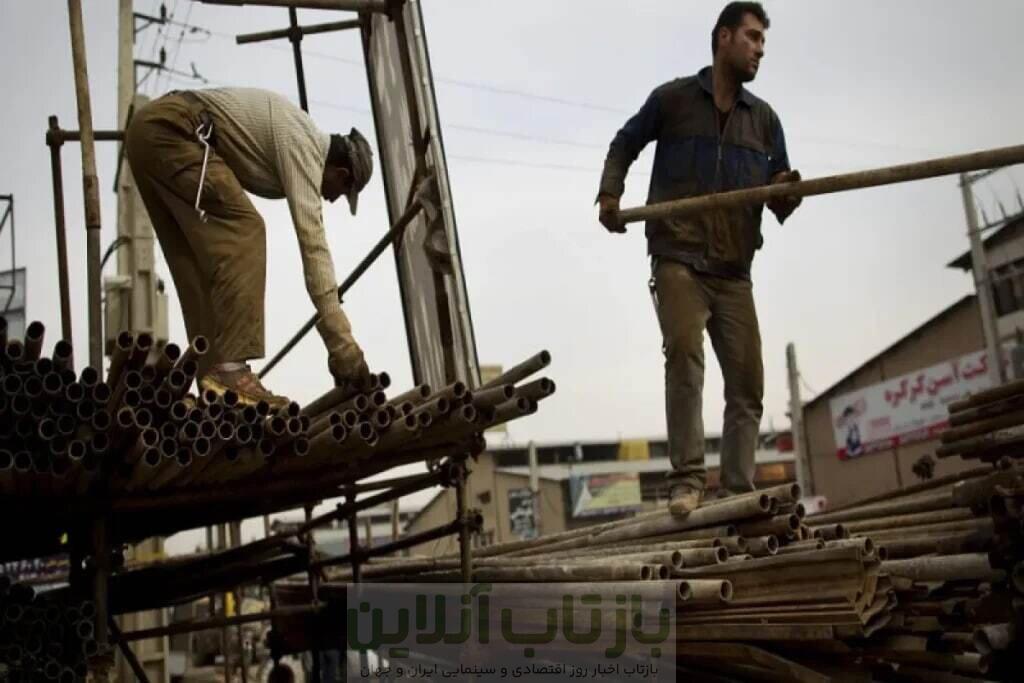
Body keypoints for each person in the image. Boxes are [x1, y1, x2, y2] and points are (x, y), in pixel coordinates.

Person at [596, 2, 802, 515]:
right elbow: (625, 142)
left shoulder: (766, 122)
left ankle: (735, 492)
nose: (758, 50)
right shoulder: (673, 100)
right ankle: (687, 481)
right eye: (752, 38)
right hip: (678, 257)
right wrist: (609, 195)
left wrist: (786, 191)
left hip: (734, 270)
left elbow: (781, 197)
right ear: (724, 38)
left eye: (763, 43)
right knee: (685, 356)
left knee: (748, 383)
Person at [126, 87, 374, 408]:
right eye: (341, 191)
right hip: (174, 131)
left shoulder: (296, 136)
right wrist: (343, 344)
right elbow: (313, 246)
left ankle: (212, 382)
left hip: (149, 135)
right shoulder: (306, 148)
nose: (333, 199)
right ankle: (231, 371)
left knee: (199, 263)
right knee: (246, 231)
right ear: (342, 173)